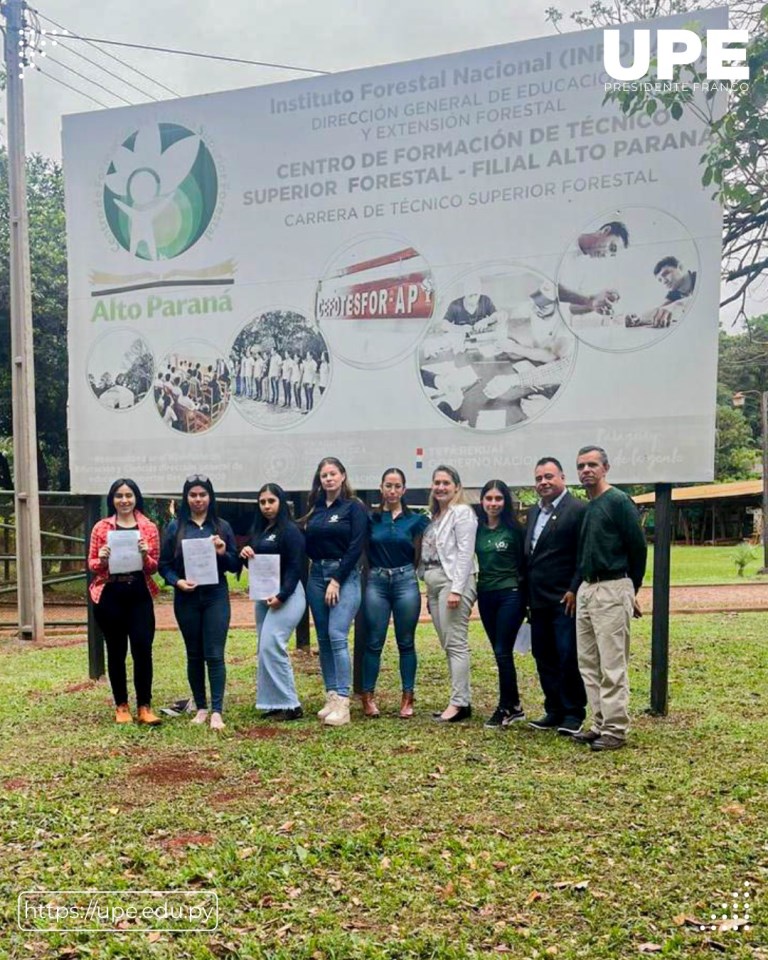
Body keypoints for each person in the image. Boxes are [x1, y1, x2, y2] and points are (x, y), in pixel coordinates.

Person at [573, 446, 647, 752]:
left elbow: (638, 548)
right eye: (581, 466)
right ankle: (599, 722)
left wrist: (631, 589)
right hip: (588, 589)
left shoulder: (617, 501)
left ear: (606, 468)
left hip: (613, 585)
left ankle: (616, 728)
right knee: (588, 661)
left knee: (612, 662)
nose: (586, 470)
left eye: (592, 465)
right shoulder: (589, 506)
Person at [159, 474, 239, 731]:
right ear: (186, 498)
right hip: (187, 597)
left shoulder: (222, 526)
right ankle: (201, 707)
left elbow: (235, 564)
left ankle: (217, 710)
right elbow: (164, 565)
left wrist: (222, 552)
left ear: (210, 497)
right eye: (193, 495)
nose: (198, 500)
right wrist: (176, 581)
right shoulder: (175, 527)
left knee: (214, 654)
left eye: (202, 495)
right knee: (194, 654)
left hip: (215, 595)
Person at [87, 478, 161, 725]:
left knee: (142, 650)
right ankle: (121, 706)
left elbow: (153, 567)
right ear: (112, 500)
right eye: (119, 496)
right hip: (111, 593)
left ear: (136, 497)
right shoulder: (101, 528)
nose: (124, 500)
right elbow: (93, 565)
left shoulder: (148, 527)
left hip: (139, 593)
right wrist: (102, 557)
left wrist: (144, 554)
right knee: (116, 651)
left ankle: (145, 706)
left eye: (129, 495)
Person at [301, 457, 367, 726]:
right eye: (323, 475)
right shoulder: (315, 508)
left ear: (343, 476)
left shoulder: (354, 508)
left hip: (345, 576)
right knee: (323, 639)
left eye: (332, 474)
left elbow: (356, 546)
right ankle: (331, 696)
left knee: (337, 635)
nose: (328, 478)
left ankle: (343, 701)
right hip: (316, 575)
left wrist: (337, 579)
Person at [524, 457, 587, 736]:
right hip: (537, 600)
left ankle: (574, 712)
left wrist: (574, 588)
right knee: (543, 654)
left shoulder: (578, 510)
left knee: (567, 655)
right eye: (539, 478)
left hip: (565, 599)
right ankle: (554, 709)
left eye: (549, 476)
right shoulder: (533, 513)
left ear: (562, 477)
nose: (543, 482)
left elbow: (582, 555)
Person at [361, 468, 429, 719]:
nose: (392, 491)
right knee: (374, 641)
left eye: (397, 486)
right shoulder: (372, 519)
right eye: (388, 486)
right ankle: (368, 697)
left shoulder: (416, 520)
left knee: (406, 642)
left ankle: (408, 697)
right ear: (381, 488)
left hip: (405, 582)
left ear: (404, 490)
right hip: (377, 582)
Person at [240, 484, 306, 721]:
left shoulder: (290, 531)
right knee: (264, 648)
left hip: (288, 596)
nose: (267, 506)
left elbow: (296, 567)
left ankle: (291, 704)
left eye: (271, 501)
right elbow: (259, 567)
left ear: (281, 502)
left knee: (272, 644)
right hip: (264, 596)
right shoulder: (260, 530)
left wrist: (282, 595)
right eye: (262, 502)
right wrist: (246, 554)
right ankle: (273, 703)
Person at [419, 465, 477, 723]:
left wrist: (456, 589)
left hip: (453, 582)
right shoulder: (436, 515)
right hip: (433, 583)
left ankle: (459, 703)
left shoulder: (462, 512)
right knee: (448, 644)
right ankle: (459, 699)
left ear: (456, 487)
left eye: (446, 482)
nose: (440, 487)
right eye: (437, 482)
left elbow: (465, 552)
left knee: (455, 643)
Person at [474, 480, 527, 727]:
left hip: (511, 594)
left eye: (498, 499)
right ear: (482, 501)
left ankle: (505, 707)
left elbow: (525, 563)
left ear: (505, 502)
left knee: (502, 651)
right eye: (489, 498)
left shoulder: (515, 530)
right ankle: (515, 705)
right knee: (499, 651)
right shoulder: (477, 529)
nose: (493, 503)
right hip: (486, 595)